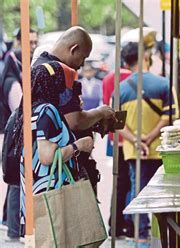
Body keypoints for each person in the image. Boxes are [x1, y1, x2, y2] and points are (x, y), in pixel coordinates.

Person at [12, 56, 94, 232]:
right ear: (53, 85)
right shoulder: (47, 110)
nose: (66, 90)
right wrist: (79, 145)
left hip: (35, 198)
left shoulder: (32, 110)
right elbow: (47, 156)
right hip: (51, 197)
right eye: (62, 84)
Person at [31, 27, 116, 194]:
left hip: (35, 166)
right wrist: (100, 112)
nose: (83, 64)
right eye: (83, 57)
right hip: (57, 172)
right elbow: (74, 121)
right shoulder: (60, 73)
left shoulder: (39, 67)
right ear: (73, 49)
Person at [117, 42, 176, 244]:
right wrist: (150, 138)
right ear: (145, 57)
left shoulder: (120, 89)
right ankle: (161, 233)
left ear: (126, 62)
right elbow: (169, 116)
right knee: (163, 192)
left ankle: (140, 235)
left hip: (134, 151)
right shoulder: (163, 84)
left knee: (138, 190)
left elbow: (117, 123)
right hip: (159, 148)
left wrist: (135, 140)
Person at [0, 28, 38, 241]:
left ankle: (12, 225)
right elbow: (20, 108)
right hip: (15, 134)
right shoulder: (12, 78)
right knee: (16, 179)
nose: (32, 46)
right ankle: (14, 229)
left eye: (35, 42)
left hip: (16, 132)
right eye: (29, 42)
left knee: (16, 180)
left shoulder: (21, 67)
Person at [102, 54, 133, 238]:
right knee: (131, 181)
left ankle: (114, 224)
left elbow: (106, 104)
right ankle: (128, 224)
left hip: (114, 136)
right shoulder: (132, 79)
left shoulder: (107, 78)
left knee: (119, 182)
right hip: (130, 136)